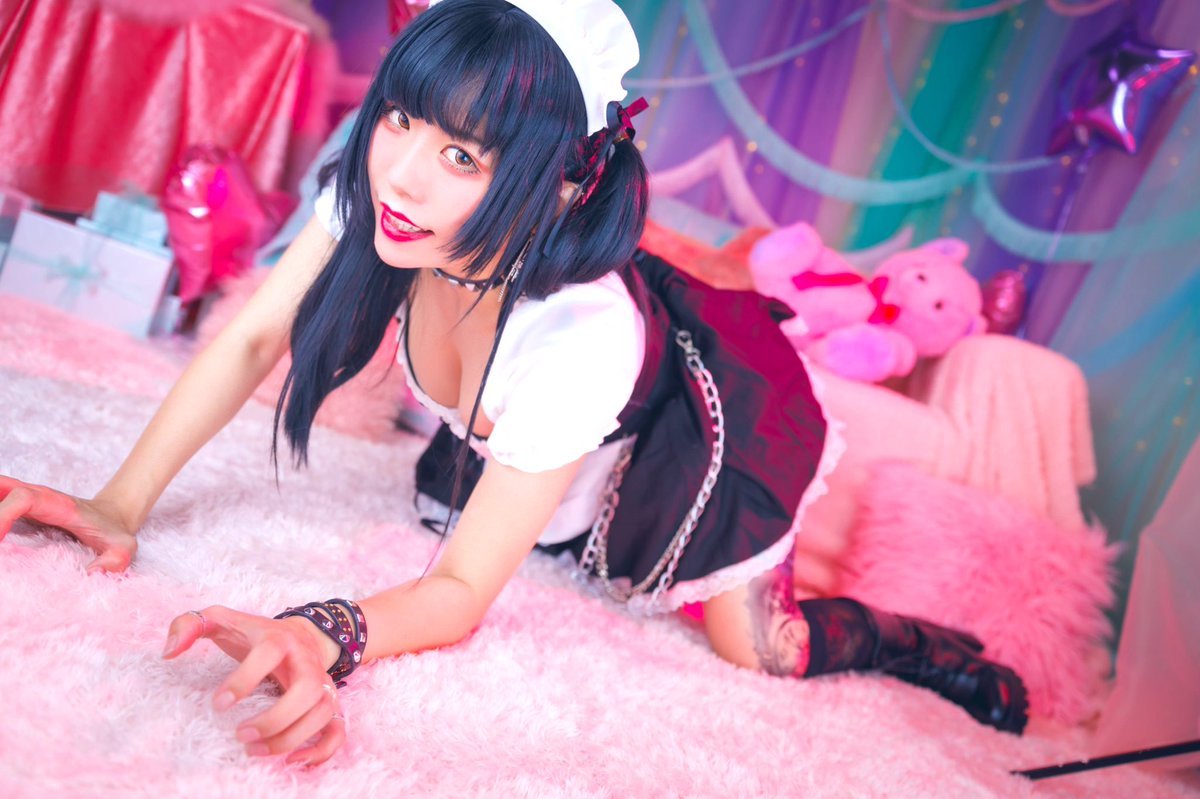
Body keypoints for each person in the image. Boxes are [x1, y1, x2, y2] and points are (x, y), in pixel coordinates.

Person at [0, 0, 1028, 767]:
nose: (402, 175)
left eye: (462, 154)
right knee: (500, 510)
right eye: (402, 119)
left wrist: (322, 629)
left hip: (687, 439)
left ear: (563, 181)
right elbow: (251, 336)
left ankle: (929, 647)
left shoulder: (577, 338)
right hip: (547, 455)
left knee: (763, 650)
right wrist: (116, 504)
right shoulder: (386, 189)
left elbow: (457, 594)